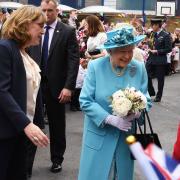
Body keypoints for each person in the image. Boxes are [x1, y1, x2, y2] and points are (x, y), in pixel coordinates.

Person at [78, 27, 152, 180]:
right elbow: (85, 100)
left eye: (130, 50)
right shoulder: (95, 66)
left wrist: (139, 109)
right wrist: (109, 119)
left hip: (126, 138)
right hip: (99, 136)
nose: (127, 56)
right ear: (110, 51)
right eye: (122, 51)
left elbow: (146, 98)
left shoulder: (139, 68)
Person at [28, 0, 79, 173]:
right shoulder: (33, 29)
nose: (47, 13)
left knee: (57, 125)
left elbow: (73, 60)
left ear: (57, 11)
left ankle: (57, 159)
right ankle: (26, 164)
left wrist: (69, 87)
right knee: (30, 123)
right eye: (44, 10)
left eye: (50, 10)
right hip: (34, 86)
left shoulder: (67, 31)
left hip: (57, 87)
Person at [0, 5, 49, 180]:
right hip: (5, 133)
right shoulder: (5, 48)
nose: (43, 31)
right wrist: (26, 124)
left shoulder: (23, 52)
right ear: (25, 24)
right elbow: (2, 92)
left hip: (20, 132)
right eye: (40, 26)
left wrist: (34, 122)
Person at [146, 19, 172, 102]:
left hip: (160, 60)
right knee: (146, 75)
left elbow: (168, 49)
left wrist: (157, 51)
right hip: (151, 59)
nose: (152, 26)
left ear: (157, 25)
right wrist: (149, 48)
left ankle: (159, 95)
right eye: (151, 25)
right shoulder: (152, 34)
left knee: (160, 79)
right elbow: (150, 43)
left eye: (153, 25)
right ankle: (151, 91)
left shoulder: (165, 35)